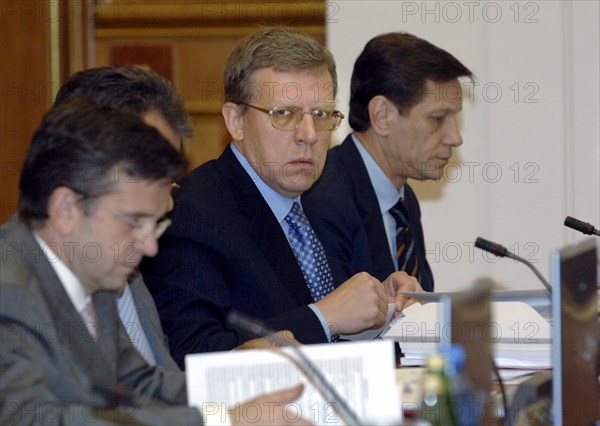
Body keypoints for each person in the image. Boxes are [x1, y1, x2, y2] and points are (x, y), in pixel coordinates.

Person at [0, 100, 309, 425]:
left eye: (156, 224)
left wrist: (248, 382)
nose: (149, 247)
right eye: (135, 222)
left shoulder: (94, 275)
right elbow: (34, 420)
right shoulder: (10, 292)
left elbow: (137, 385)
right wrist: (224, 421)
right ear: (66, 209)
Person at [140, 27, 423, 367]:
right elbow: (194, 355)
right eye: (284, 114)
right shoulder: (193, 212)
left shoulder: (322, 200)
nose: (308, 136)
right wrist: (322, 317)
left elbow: (345, 316)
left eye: (320, 116)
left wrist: (386, 306)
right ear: (236, 121)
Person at [304, 32, 474, 292]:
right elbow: (335, 327)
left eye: (454, 119)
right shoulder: (324, 199)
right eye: (438, 118)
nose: (455, 137)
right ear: (382, 116)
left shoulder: (403, 202)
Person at [51, 64, 194, 369]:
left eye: (169, 181)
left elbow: (152, 391)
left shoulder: (126, 269)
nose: (167, 203)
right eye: (151, 177)